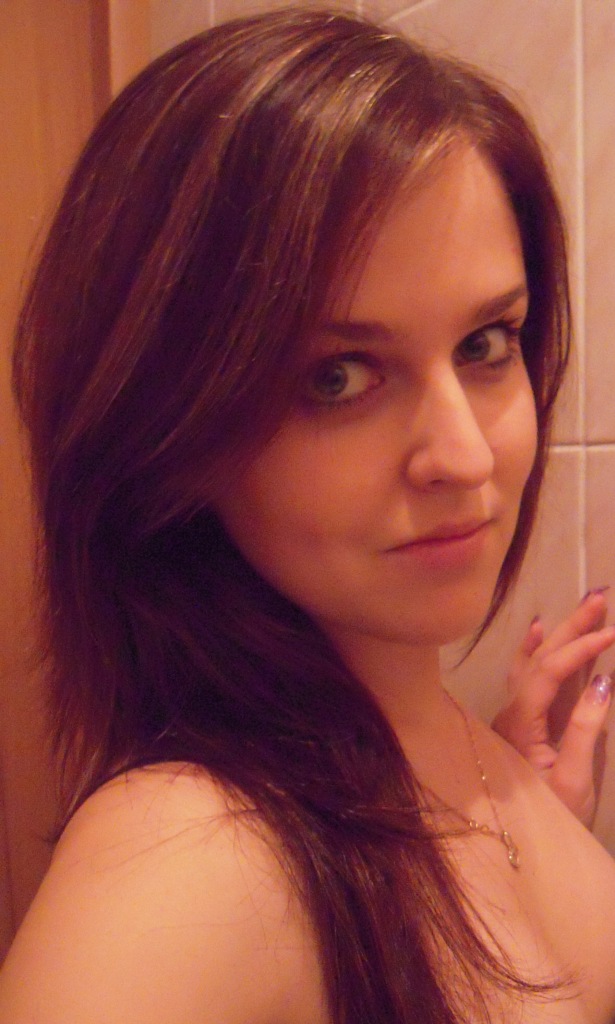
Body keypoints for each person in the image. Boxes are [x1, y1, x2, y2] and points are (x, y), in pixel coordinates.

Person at [1, 7, 615, 1022]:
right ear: (165, 424)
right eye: (337, 377)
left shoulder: (453, 744)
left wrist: (527, 821)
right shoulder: (186, 862)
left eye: (484, 344)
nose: (467, 456)